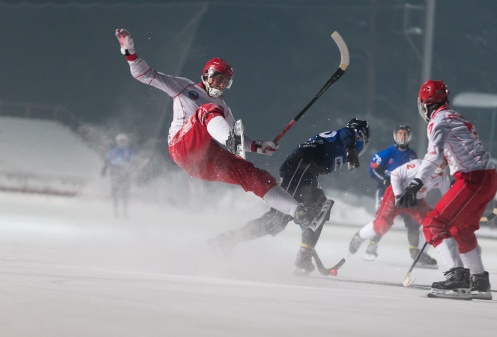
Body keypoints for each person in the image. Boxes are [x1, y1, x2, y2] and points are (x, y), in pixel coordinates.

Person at [114, 28, 327, 228]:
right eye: (218, 79)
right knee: (206, 111)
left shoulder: (223, 108)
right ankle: (228, 143)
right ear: (206, 75)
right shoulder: (185, 88)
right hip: (182, 148)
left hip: (205, 159)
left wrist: (259, 146)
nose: (221, 85)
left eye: (226, 82)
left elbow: (239, 141)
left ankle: (299, 212)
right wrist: (129, 53)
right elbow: (144, 75)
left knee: (252, 174)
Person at [209, 118, 370, 274]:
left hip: (304, 170)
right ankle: (226, 240)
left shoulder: (341, 138)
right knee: (280, 219)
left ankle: (304, 255)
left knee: (313, 210)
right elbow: (347, 132)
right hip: (301, 166)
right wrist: (350, 150)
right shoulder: (353, 135)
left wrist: (307, 226)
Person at [398, 80, 497, 300]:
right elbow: (453, 152)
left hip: (474, 178)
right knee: (460, 229)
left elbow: (434, 154)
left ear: (426, 103)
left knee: (433, 222)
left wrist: (416, 183)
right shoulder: (456, 117)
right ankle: (479, 281)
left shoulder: (438, 121)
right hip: (487, 177)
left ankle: (457, 279)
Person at [350, 158, 449, 268]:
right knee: (382, 224)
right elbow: (395, 174)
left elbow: (448, 196)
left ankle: (420, 253)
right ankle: (359, 236)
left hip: (415, 201)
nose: (440, 165)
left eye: (444, 162)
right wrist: (398, 195)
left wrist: (449, 211)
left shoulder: (442, 177)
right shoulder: (416, 166)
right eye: (438, 160)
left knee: (433, 222)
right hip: (395, 195)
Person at [366, 124, 421, 262]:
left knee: (413, 221)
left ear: (409, 137)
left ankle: (415, 252)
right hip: (386, 192)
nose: (402, 137)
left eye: (405, 134)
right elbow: (372, 169)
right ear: (395, 136)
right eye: (400, 134)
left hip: (404, 194)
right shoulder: (387, 153)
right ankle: (371, 247)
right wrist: (384, 181)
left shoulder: (412, 155)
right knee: (382, 219)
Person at [101, 133, 134, 217]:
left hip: (125, 172)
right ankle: (116, 209)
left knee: (125, 191)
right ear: (117, 141)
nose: (122, 142)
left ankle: (125, 210)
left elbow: (132, 162)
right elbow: (107, 160)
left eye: (123, 141)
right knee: (115, 190)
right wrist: (104, 169)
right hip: (114, 171)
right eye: (120, 141)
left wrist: (131, 169)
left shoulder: (129, 151)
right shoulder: (113, 150)